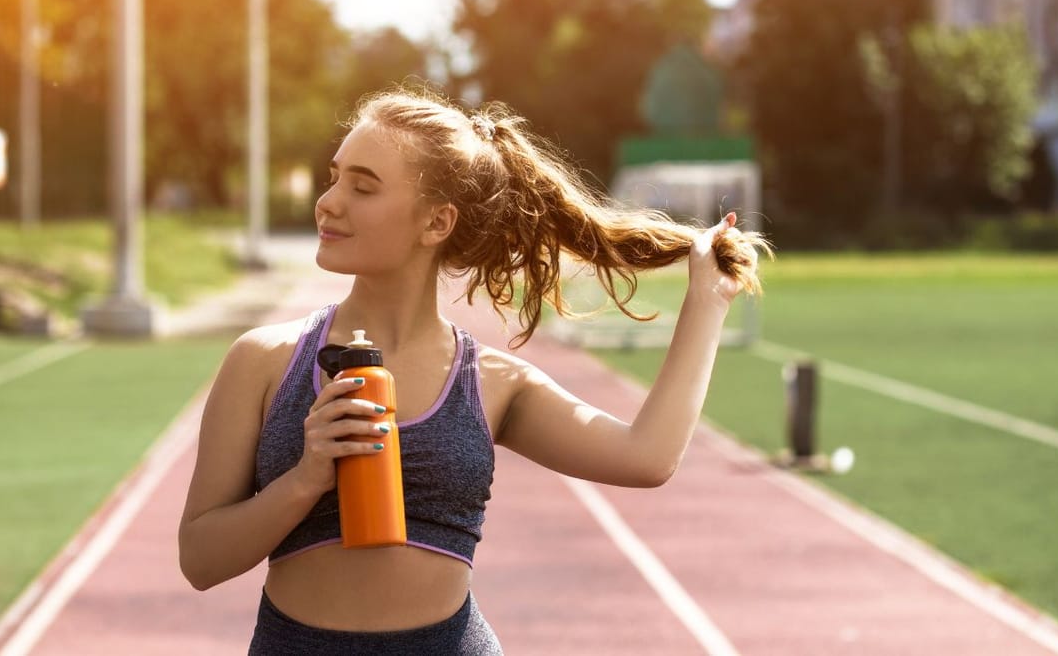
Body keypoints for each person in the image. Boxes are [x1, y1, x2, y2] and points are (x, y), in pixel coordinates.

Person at [178, 86, 768, 654]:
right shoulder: (263, 361)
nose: (329, 202)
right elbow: (200, 560)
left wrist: (707, 302)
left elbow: (647, 457)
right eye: (334, 178)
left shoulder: (492, 382)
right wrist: (305, 479)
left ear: (436, 223)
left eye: (363, 187)